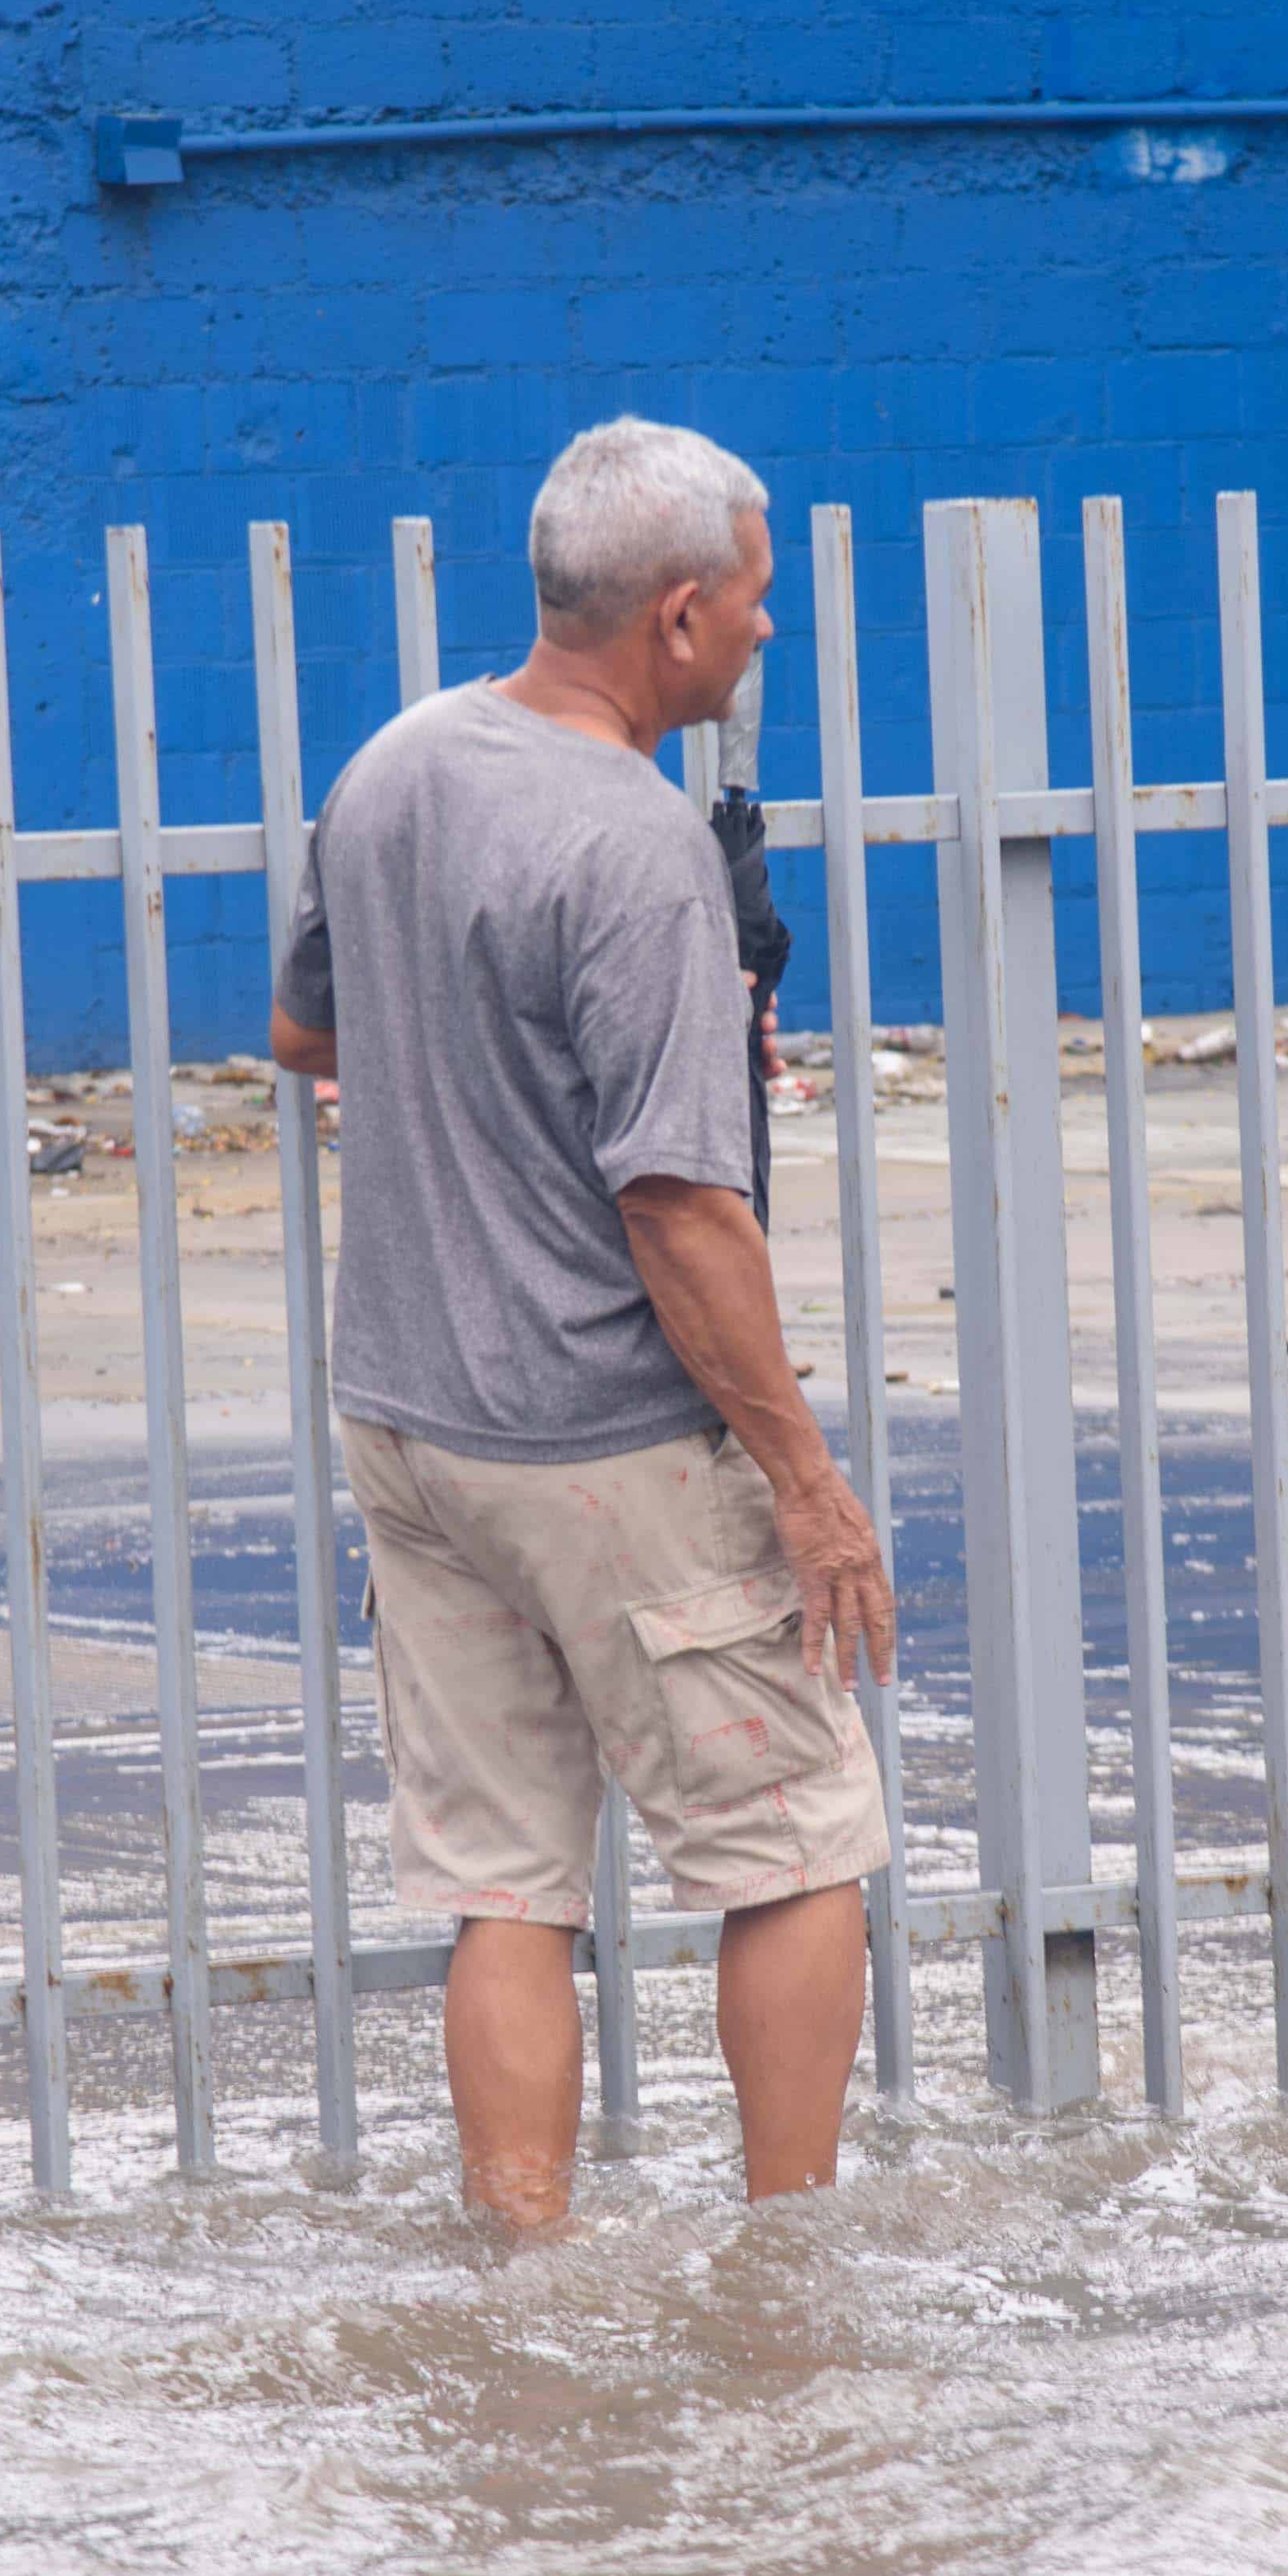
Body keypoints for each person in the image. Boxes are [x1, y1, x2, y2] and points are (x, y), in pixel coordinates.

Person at [268, 417, 893, 2234]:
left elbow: (316, 1037)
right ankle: (792, 2252)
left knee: (507, 1889)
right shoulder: (633, 844)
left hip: (408, 1420)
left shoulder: (391, 767)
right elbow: (678, 1208)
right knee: (792, 1848)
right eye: (756, 604)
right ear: (678, 618)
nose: (767, 634)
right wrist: (803, 1477)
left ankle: (521, 2260)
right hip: (604, 1441)